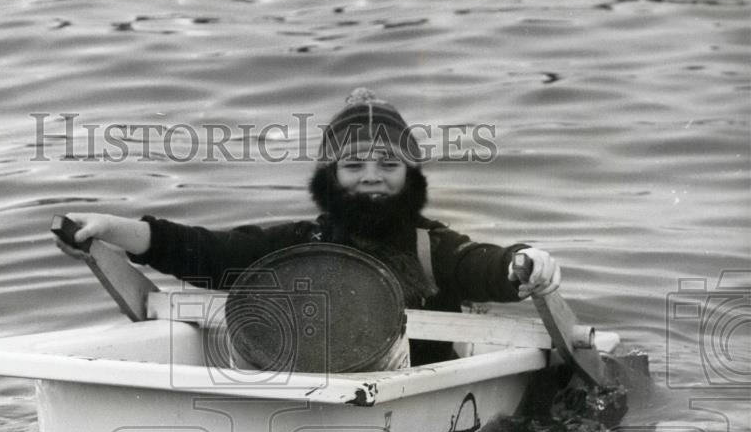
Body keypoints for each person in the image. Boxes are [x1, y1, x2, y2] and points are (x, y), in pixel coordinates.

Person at [56, 88, 560, 366]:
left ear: (410, 176)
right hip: (319, 387)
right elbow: (208, 252)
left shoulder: (433, 248)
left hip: (415, 392)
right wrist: (110, 228)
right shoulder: (301, 243)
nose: (371, 177)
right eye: (354, 165)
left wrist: (525, 264)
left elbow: (482, 266)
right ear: (330, 177)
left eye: (388, 165)